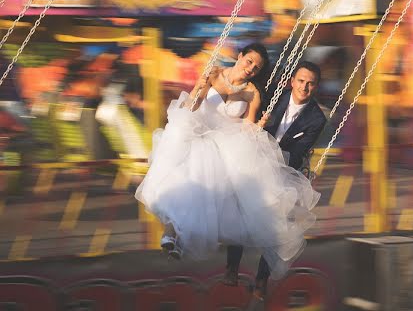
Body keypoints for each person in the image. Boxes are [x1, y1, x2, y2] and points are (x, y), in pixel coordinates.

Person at [135, 44, 320, 283]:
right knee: (185, 173)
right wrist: (199, 88)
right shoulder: (213, 73)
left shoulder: (252, 92)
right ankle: (172, 231)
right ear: (240, 57)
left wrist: (259, 126)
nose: (251, 69)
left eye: (257, 67)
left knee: (218, 187)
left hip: (225, 142)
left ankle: (179, 238)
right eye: (249, 62)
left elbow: (248, 127)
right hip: (198, 132)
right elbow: (192, 106)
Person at [225, 60, 327, 300]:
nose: (304, 87)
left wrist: (271, 159)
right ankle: (232, 267)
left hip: (283, 168)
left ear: (316, 88)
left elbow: (299, 151)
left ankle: (261, 280)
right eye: (301, 81)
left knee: (277, 226)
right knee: (240, 208)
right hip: (254, 161)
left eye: (310, 84)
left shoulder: (316, 119)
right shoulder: (274, 97)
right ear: (292, 82)